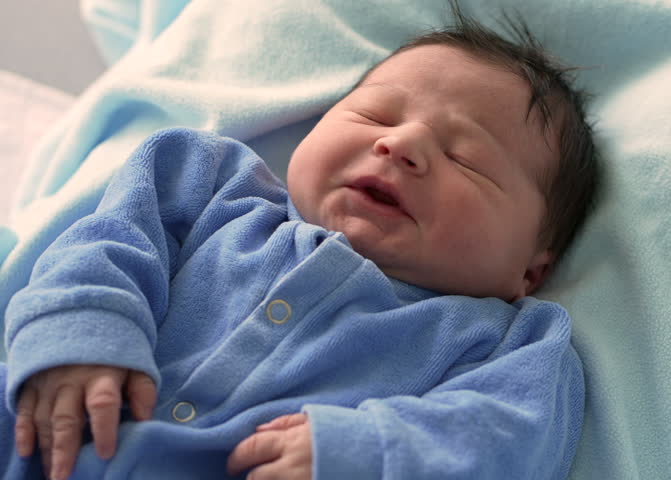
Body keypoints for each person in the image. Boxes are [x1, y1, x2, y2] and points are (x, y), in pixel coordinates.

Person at [1, 3, 598, 479]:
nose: (402, 145)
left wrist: (368, 452)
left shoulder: (510, 346)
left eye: (467, 160)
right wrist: (83, 331)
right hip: (44, 431)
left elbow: (510, 437)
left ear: (531, 270)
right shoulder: (210, 185)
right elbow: (108, 240)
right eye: (376, 117)